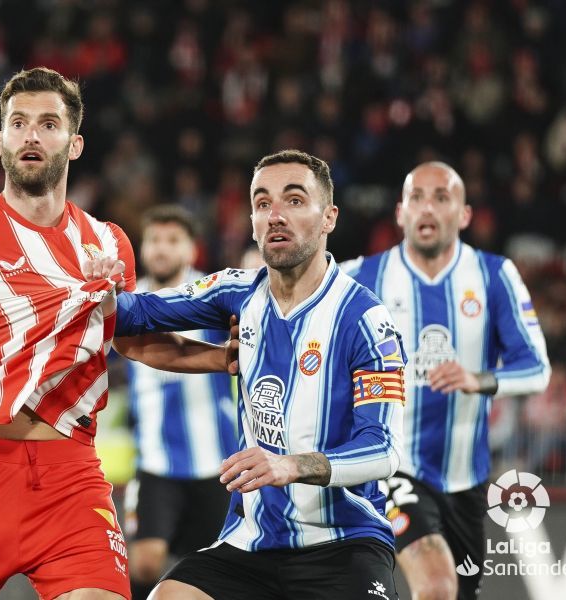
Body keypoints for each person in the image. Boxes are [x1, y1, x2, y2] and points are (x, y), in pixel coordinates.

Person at [0, 67, 228, 600]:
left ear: (75, 142)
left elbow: (131, 341)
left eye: (48, 123)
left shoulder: (109, 244)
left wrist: (224, 358)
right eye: (18, 123)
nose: (31, 135)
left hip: (70, 478)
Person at [114, 149, 407, 600]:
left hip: (343, 543)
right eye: (262, 202)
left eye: (293, 200)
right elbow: (129, 316)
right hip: (251, 542)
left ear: (328, 217)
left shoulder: (365, 320)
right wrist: (97, 276)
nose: (275, 215)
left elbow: (384, 451)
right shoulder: (236, 291)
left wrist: (289, 465)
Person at [341, 161, 551, 599]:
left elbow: (536, 368)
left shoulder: (495, 276)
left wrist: (479, 379)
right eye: (417, 198)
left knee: (458, 592)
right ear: (400, 213)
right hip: (395, 465)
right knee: (436, 585)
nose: (428, 209)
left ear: (464, 214)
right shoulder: (362, 276)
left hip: (467, 477)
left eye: (442, 197)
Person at [122, 205, 237, 599]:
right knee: (145, 562)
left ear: (192, 250)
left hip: (216, 464)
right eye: (154, 240)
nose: (161, 249)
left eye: (173, 241)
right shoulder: (127, 302)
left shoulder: (214, 296)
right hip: (156, 464)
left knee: (214, 566)